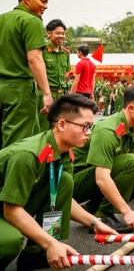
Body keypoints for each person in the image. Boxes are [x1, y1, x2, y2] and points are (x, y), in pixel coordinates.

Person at [0, 95, 117, 270]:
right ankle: (45, 244)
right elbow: (11, 211)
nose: (89, 132)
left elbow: (62, 197)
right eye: (84, 126)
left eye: (90, 127)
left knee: (64, 182)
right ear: (61, 124)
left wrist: (95, 222)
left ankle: (35, 252)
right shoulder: (27, 155)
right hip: (7, 208)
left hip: (7, 204)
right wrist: (50, 243)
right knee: (9, 241)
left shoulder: (63, 152)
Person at [72, 85, 134, 234]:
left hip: (94, 177)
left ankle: (91, 209)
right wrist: (127, 212)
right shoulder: (108, 131)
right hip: (74, 183)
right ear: (131, 108)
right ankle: (104, 215)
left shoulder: (131, 129)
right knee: (131, 162)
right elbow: (101, 178)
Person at [0, 0, 53, 148]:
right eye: (43, 1)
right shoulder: (32, 21)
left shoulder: (2, 19)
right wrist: (46, 92)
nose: (45, 6)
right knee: (17, 144)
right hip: (20, 89)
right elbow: (34, 59)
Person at [38, 19, 71, 131]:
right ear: (49, 33)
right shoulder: (42, 52)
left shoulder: (66, 54)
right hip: (46, 95)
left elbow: (66, 74)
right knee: (44, 128)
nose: (61, 36)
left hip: (61, 96)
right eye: (58, 33)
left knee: (59, 128)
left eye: (63, 33)